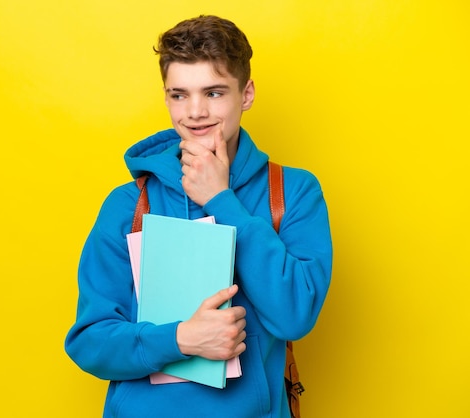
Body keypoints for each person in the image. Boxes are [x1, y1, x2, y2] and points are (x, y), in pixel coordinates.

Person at [65, 15, 332, 418]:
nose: (194, 112)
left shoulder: (291, 193)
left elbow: (294, 315)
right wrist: (180, 340)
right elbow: (89, 342)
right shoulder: (128, 204)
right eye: (179, 95)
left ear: (246, 94)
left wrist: (222, 199)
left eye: (213, 92)